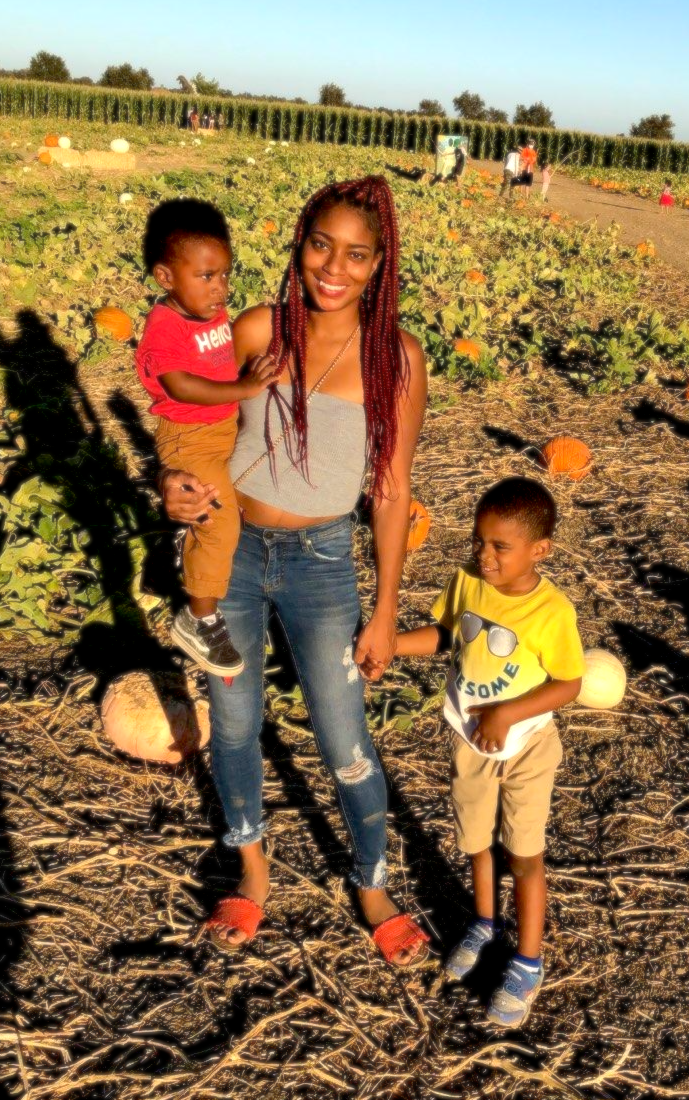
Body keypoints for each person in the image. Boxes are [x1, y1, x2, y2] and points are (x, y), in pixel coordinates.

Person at [160, 176, 430, 964]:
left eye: (355, 254)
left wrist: (384, 612)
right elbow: (183, 426)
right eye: (320, 245)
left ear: (380, 264)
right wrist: (167, 486)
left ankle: (371, 884)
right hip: (232, 548)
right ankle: (250, 873)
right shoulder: (252, 330)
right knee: (235, 722)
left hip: (320, 566)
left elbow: (390, 488)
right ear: (297, 245)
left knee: (343, 733)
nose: (332, 267)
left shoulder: (397, 359)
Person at [394, 477, 584, 1025]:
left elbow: (568, 683)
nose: (485, 555)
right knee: (477, 841)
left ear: (539, 550)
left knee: (523, 854)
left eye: (500, 546)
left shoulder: (552, 612)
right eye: (480, 541)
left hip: (525, 746)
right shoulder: (466, 583)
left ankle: (527, 961)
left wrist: (505, 712)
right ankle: (483, 923)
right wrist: (388, 646)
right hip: (470, 739)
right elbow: (444, 635)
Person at [135, 200, 277, 675]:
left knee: (223, 513)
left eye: (224, 275)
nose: (220, 288)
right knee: (220, 522)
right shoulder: (164, 327)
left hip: (219, 432)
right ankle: (197, 619)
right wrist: (244, 387)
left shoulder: (205, 311)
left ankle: (181, 550)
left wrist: (244, 371)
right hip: (189, 438)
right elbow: (181, 385)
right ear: (165, 276)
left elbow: (213, 362)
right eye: (206, 277)